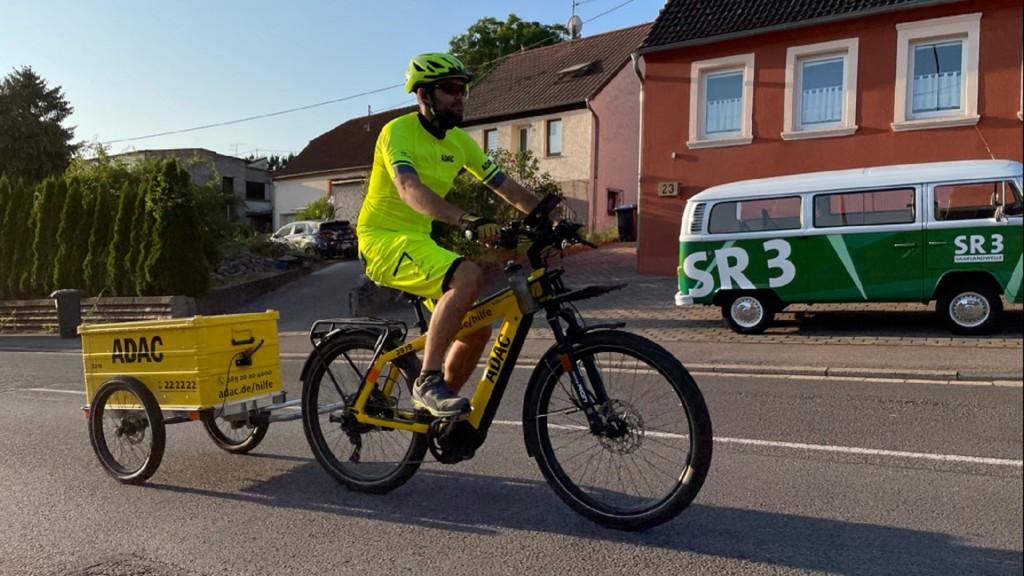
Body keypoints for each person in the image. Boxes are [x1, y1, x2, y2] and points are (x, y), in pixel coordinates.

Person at [356, 53, 543, 418]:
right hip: (382, 240)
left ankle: (437, 414)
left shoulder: (459, 141)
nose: (460, 96)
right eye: (450, 89)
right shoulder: (397, 132)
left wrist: (548, 216)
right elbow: (409, 187)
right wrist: (466, 219)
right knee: (468, 274)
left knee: (475, 330)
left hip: (418, 242)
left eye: (463, 88)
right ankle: (428, 381)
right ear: (424, 95)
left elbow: (505, 187)